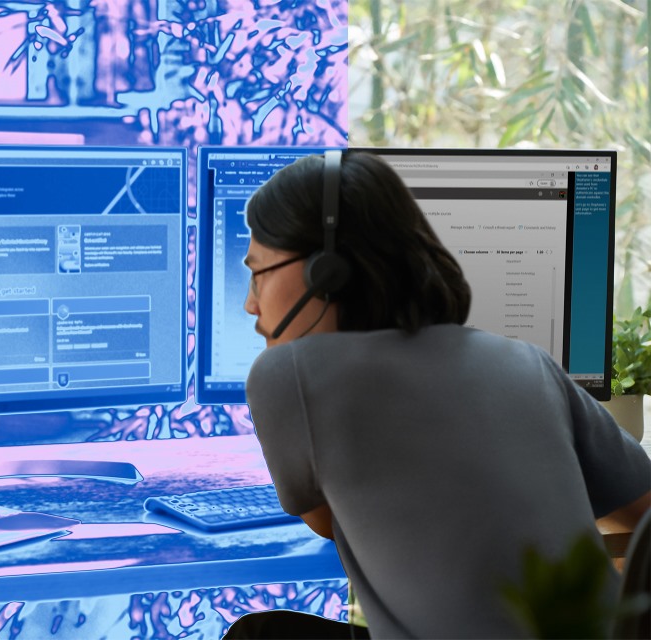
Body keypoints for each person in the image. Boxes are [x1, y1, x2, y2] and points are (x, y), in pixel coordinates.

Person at [224, 151, 651, 639]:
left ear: (327, 271)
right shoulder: (525, 360)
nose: (251, 301)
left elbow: (326, 521)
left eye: (259, 272)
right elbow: (643, 510)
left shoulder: (287, 375)